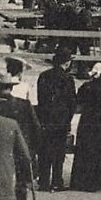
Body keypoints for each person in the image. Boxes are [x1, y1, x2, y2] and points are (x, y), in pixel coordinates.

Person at [0, 73, 41, 200]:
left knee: (1, 185)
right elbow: (36, 128)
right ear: (11, 87)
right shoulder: (25, 104)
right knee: (21, 185)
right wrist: (32, 150)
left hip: (2, 152)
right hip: (21, 150)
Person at [70, 63, 101, 191]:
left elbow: (78, 104)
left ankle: (82, 180)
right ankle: (100, 181)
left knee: (86, 149)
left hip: (88, 120)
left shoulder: (85, 87)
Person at [35, 48, 76, 192]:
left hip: (46, 118)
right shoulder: (68, 79)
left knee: (44, 151)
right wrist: (67, 118)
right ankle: (57, 180)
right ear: (67, 62)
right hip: (61, 120)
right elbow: (72, 103)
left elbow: (40, 99)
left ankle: (43, 181)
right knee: (59, 153)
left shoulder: (43, 76)